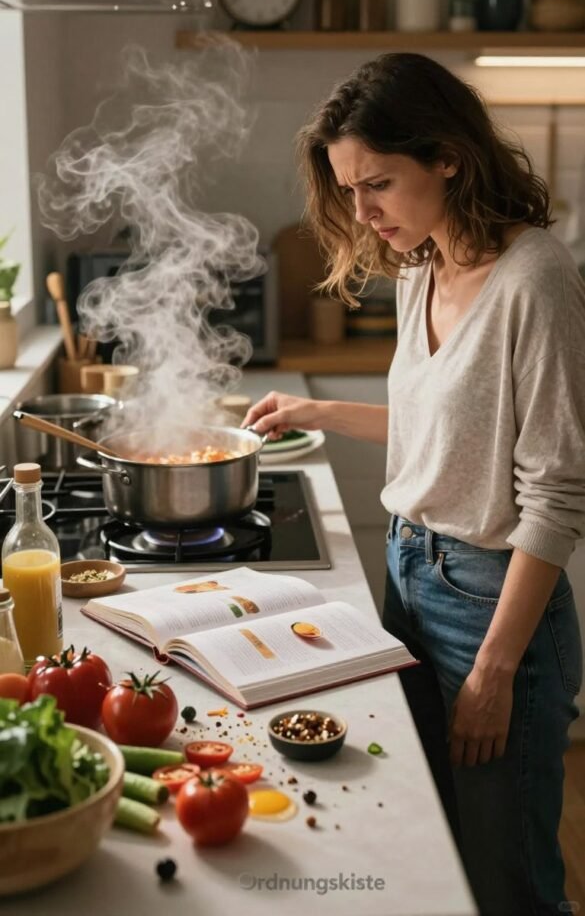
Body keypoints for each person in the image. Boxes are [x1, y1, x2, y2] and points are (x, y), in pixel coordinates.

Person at [243, 52, 585, 916]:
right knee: (427, 849)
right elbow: (449, 434)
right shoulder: (419, 267)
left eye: (378, 184)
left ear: (448, 158)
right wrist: (313, 415)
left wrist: (495, 672)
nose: (362, 211)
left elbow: (555, 492)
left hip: (490, 603)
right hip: (409, 574)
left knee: (505, 878)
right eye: (348, 189)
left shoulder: (536, 281)